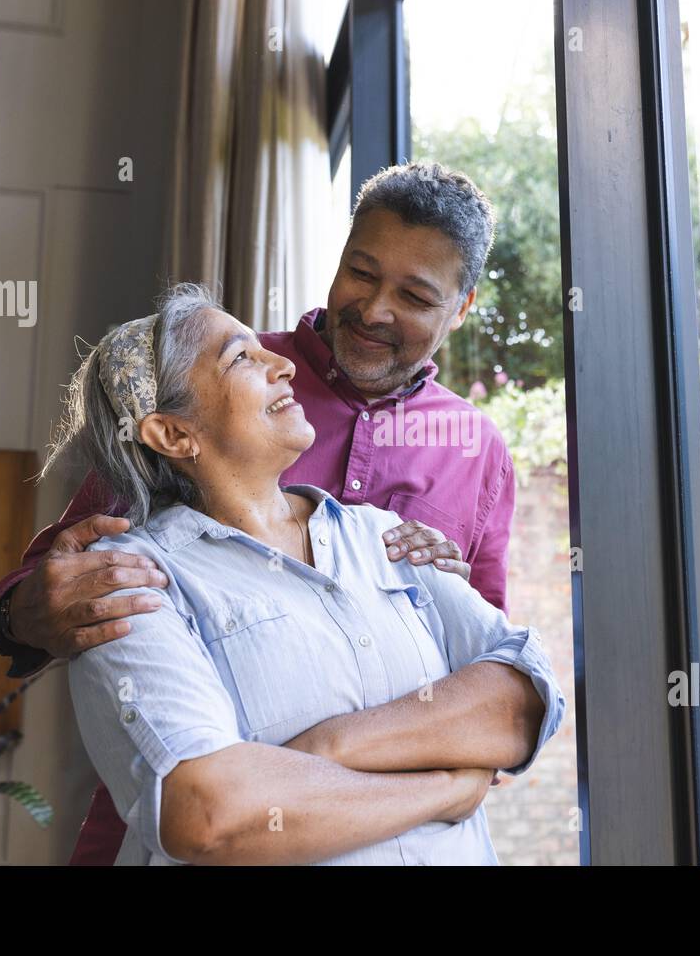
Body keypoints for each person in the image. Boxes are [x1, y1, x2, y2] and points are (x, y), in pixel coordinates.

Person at [0, 162, 522, 863]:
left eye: (415, 295)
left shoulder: (476, 452)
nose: (374, 309)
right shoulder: (223, 386)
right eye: (361, 272)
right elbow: (59, 577)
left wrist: (437, 623)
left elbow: (494, 682)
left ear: (462, 306)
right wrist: (29, 610)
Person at [57, 298, 565, 864]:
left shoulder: (386, 538)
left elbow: (524, 702)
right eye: (241, 359)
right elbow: (208, 814)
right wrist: (444, 787)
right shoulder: (127, 581)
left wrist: (327, 746)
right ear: (174, 434)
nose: (282, 364)